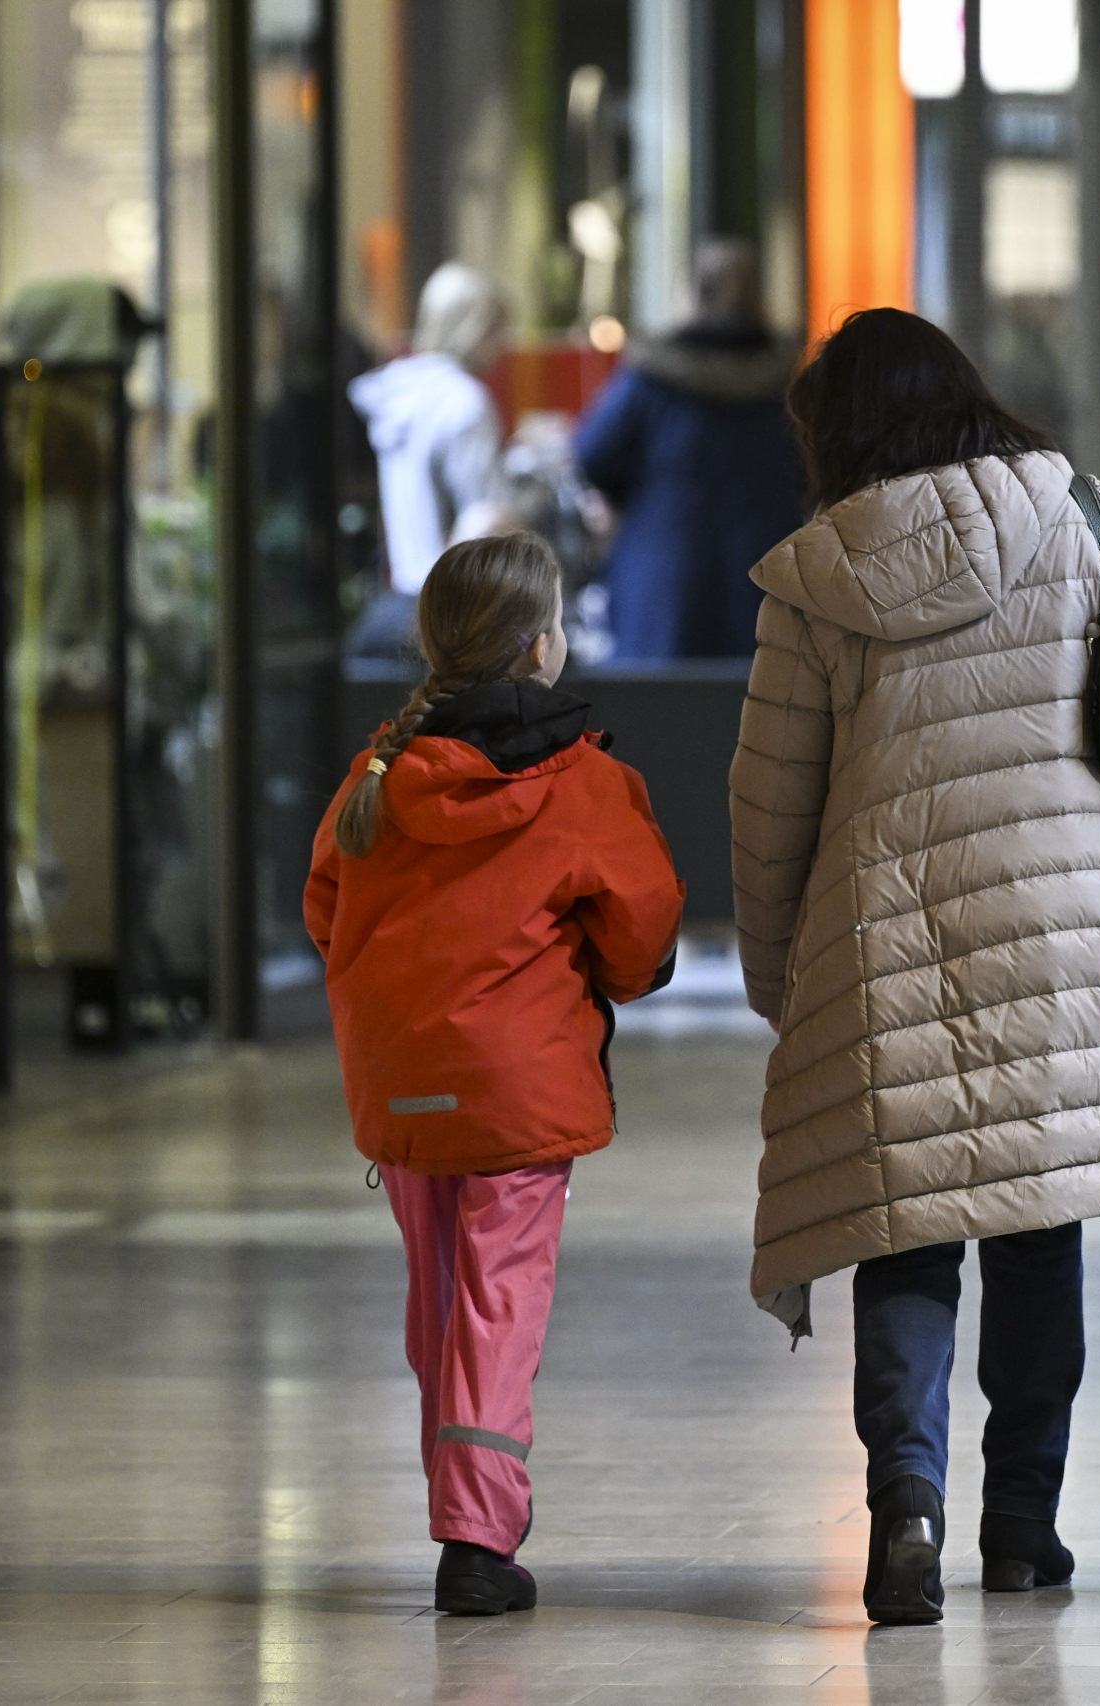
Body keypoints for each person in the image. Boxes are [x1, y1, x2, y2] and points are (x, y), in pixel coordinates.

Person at [727, 309, 1100, 1626]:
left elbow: (767, 805)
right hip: (1063, 926)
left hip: (881, 933)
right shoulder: (1085, 511)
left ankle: (905, 1506)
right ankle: (1022, 1526)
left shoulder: (812, 576)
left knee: (900, 1242)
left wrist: (774, 975)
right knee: (1039, 1234)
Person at [304, 534, 686, 1615]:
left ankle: (460, 1503)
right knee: (497, 1298)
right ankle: (475, 1534)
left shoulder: (377, 775)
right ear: (539, 646)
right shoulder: (582, 782)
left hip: (404, 1087)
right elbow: (638, 929)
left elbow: (325, 910)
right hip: (518, 1088)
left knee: (441, 1300)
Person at [576, 239, 805, 661]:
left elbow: (592, 454)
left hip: (661, 582)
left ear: (689, 295)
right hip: (767, 583)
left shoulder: (652, 376)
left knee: (660, 716)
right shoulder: (787, 382)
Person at [347, 264, 509, 662]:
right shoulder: (463, 402)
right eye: (494, 330)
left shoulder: (397, 393)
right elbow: (482, 520)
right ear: (473, 328)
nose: (501, 345)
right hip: (447, 612)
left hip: (397, 600)